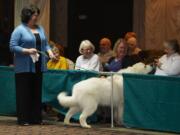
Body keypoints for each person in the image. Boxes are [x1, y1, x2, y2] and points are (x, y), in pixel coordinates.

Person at [9, 5, 56, 126]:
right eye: (34, 14)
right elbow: (12, 46)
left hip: (38, 65)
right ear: (27, 15)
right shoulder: (19, 30)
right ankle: (24, 119)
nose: (36, 17)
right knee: (24, 93)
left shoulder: (40, 28)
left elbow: (45, 44)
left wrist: (50, 53)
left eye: (37, 14)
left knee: (36, 92)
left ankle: (36, 118)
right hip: (23, 66)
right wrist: (27, 50)